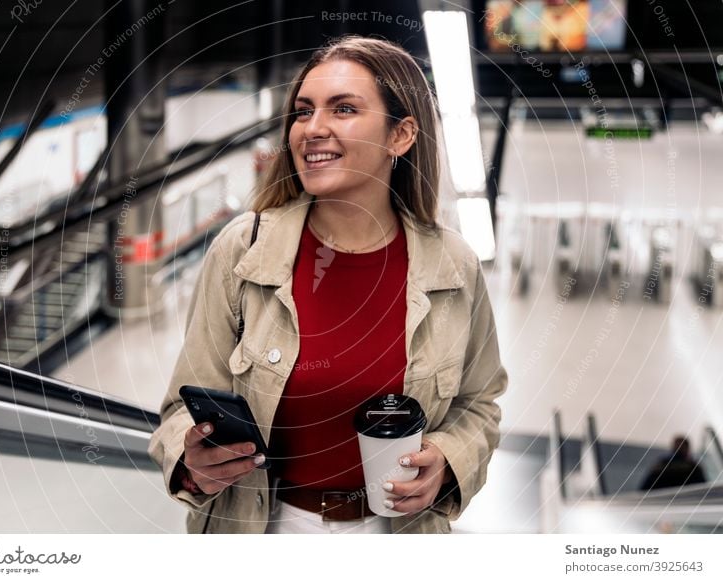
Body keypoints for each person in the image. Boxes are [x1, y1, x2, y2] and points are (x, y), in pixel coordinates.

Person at [148, 34, 508, 534]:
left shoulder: (453, 266)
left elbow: (479, 403)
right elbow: (178, 412)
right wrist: (192, 458)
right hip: (263, 527)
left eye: (343, 109)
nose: (312, 129)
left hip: (396, 533)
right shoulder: (242, 251)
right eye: (302, 111)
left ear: (400, 136)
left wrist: (449, 459)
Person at [640, 435, 707, 491]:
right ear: (688, 449)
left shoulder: (662, 465)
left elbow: (644, 489)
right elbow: (703, 489)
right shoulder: (694, 467)